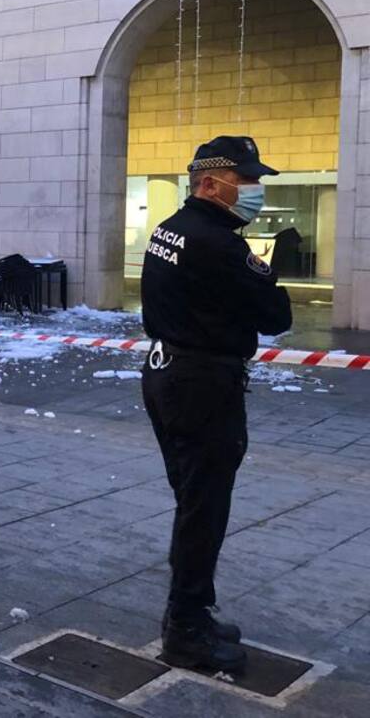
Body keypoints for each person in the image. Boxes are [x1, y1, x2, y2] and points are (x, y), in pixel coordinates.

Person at [141, 135, 292, 674]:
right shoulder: (219, 244)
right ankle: (185, 628)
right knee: (204, 508)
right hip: (203, 385)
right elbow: (276, 316)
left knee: (193, 501)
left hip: (167, 373)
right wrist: (268, 275)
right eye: (246, 180)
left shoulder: (169, 231)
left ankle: (192, 613)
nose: (253, 190)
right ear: (210, 182)